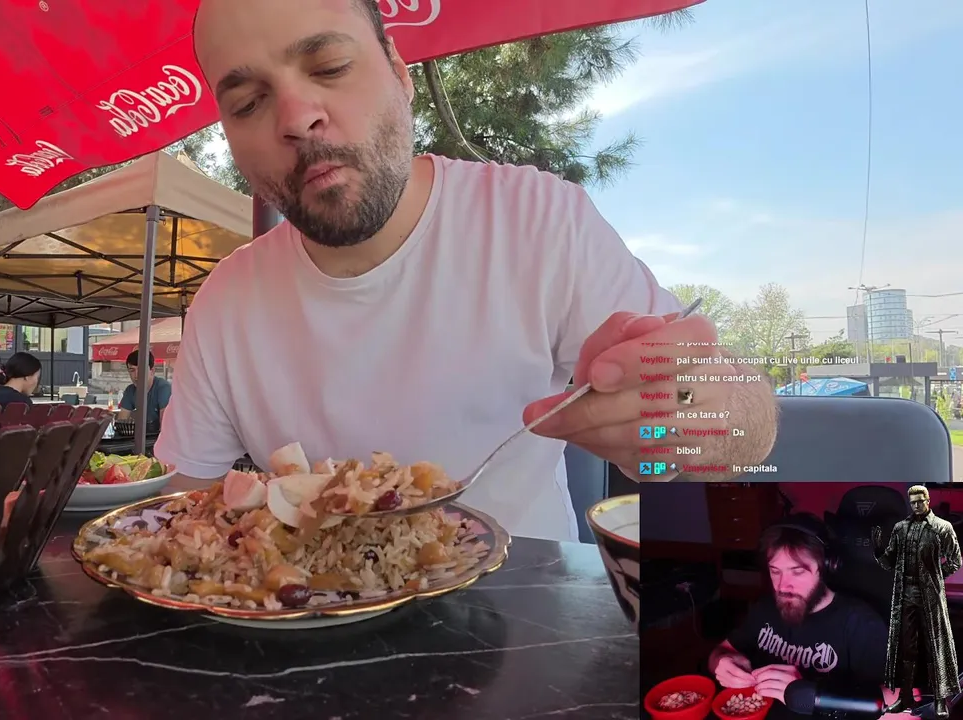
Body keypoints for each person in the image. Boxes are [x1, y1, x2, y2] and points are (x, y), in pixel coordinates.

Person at [153, 0, 779, 540]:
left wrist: (691, 420)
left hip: (530, 622)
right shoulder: (227, 302)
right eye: (248, 102)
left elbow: (745, 430)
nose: (295, 118)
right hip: (307, 628)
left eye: (330, 66)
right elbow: (179, 513)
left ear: (400, 73)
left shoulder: (537, 220)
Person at [707, 515, 888, 717]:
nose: (783, 586)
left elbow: (903, 708)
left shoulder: (861, 623)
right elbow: (721, 651)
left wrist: (815, 696)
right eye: (775, 571)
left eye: (797, 572)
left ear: (826, 568)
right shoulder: (764, 608)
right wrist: (722, 661)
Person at [874, 485, 962, 717]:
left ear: (928, 500)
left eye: (920, 501)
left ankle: (941, 701)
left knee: (936, 648)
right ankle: (904, 698)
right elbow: (889, 562)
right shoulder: (900, 528)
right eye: (913, 502)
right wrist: (878, 550)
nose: (916, 505)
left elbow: (955, 561)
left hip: (930, 596)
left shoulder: (942, 527)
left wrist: (935, 577)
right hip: (905, 595)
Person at [118, 350, 171, 427]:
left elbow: (165, 427)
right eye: (132, 370)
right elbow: (121, 423)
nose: (136, 375)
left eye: (141, 369)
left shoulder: (163, 388)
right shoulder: (130, 390)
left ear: (152, 371)